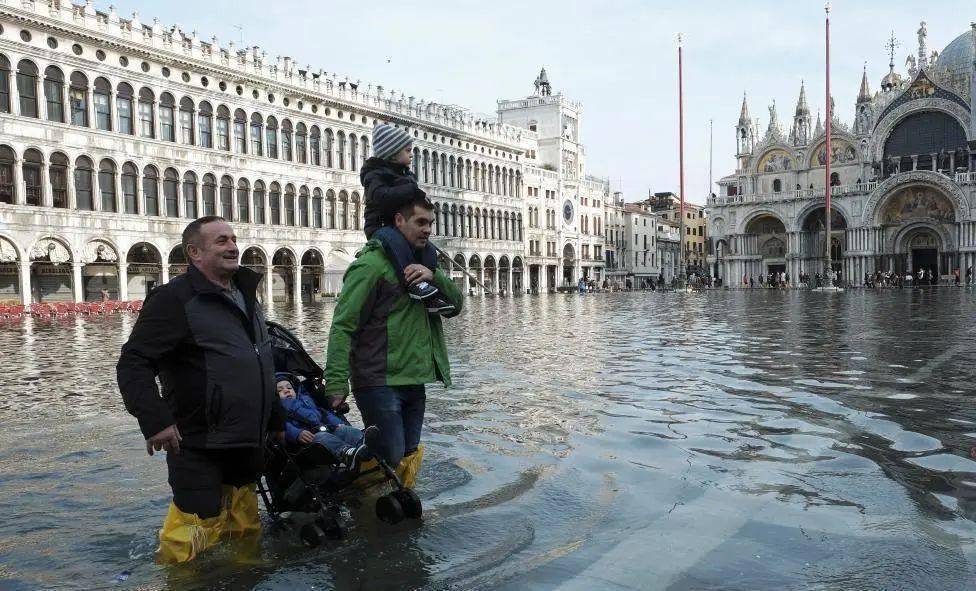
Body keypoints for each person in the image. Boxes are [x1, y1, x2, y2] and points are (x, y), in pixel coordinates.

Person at [116, 216, 285, 563]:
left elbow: (261, 363)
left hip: (247, 439)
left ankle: (243, 581)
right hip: (198, 440)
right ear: (194, 252)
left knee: (244, 527)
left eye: (234, 239)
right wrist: (155, 420)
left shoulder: (246, 295)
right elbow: (133, 363)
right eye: (222, 240)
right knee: (192, 531)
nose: (233, 246)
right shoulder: (174, 299)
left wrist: (277, 421)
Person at [324, 195, 463, 475]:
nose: (428, 229)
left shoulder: (423, 265)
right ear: (399, 220)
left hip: (414, 377)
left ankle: (382, 501)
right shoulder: (371, 266)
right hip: (379, 379)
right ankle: (337, 444)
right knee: (391, 451)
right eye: (420, 222)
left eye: (431, 223)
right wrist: (336, 381)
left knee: (408, 450)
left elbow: (455, 306)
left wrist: (433, 276)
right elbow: (343, 325)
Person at [360, 123, 454, 314]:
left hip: (399, 225)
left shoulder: (407, 175)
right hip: (380, 227)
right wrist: (411, 190)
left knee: (427, 249)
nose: (412, 155)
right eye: (408, 151)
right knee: (397, 244)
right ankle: (413, 284)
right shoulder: (374, 174)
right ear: (393, 153)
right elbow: (381, 197)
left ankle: (427, 283)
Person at [275, 374, 372, 469]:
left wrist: (338, 423)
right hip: (309, 440)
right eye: (280, 390)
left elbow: (324, 414)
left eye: (289, 388)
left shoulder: (306, 401)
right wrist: (297, 434)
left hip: (326, 429)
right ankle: (346, 453)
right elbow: (282, 427)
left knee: (346, 430)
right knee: (322, 438)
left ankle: (364, 444)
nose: (286, 390)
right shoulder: (278, 410)